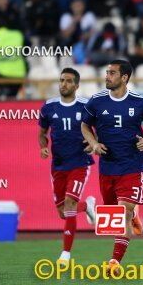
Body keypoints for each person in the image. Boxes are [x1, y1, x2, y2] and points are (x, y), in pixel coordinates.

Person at [81, 59, 143, 276]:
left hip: (132, 165)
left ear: (124, 77)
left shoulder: (140, 101)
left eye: (112, 73)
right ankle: (133, 215)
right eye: (107, 72)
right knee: (114, 220)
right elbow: (84, 125)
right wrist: (94, 144)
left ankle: (114, 262)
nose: (107, 76)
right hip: (107, 167)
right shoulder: (96, 101)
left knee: (123, 212)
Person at [38, 68, 96, 265]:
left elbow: (98, 131)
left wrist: (92, 143)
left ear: (77, 86)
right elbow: (42, 133)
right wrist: (44, 147)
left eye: (69, 81)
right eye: (62, 80)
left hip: (79, 163)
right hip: (58, 165)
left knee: (70, 204)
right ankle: (87, 205)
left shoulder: (86, 106)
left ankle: (66, 254)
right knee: (63, 212)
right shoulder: (49, 107)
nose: (64, 84)